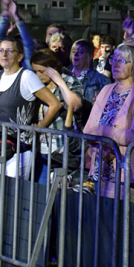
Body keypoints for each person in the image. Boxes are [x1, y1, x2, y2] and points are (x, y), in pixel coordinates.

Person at [83, 44, 134, 199]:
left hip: (125, 171)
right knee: (101, 219)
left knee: (122, 220)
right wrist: (99, 150)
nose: (114, 64)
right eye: (113, 60)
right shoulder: (106, 89)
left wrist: (103, 131)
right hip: (100, 167)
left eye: (121, 61)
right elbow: (88, 129)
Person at [0, 37, 62, 179]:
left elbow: (55, 103)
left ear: (20, 56)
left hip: (19, 150)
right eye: (1, 50)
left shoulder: (27, 77)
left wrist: (40, 126)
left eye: (9, 51)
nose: (4, 54)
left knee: (12, 194)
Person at [30, 49, 84, 180]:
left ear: (53, 69)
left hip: (63, 150)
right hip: (42, 149)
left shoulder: (69, 82)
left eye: (41, 72)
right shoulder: (37, 84)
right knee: (40, 193)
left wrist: (59, 81)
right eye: (35, 71)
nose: (37, 76)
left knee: (60, 194)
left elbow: (75, 104)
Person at [68, 39, 110, 107]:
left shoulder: (102, 80)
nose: (76, 54)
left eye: (81, 52)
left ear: (90, 56)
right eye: (73, 52)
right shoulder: (63, 75)